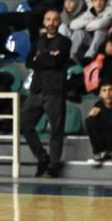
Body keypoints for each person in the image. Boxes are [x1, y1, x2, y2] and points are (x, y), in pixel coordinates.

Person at [19, 9, 71, 178]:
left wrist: (40, 59)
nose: (51, 23)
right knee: (24, 124)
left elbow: (56, 62)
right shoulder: (38, 40)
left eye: (55, 19)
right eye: (48, 19)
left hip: (55, 91)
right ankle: (42, 157)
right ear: (44, 21)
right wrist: (47, 57)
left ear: (59, 22)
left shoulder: (64, 42)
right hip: (36, 90)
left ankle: (54, 165)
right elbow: (29, 62)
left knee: (56, 130)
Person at [84, 80, 112, 167]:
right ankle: (101, 154)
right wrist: (91, 116)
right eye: (104, 90)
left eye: (110, 90)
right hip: (108, 141)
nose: (107, 94)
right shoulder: (98, 105)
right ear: (100, 94)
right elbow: (93, 127)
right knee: (89, 120)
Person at [69, 0, 112, 64]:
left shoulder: (110, 11)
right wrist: (87, 21)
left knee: (100, 30)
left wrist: (86, 25)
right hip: (91, 40)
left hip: (104, 42)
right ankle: (70, 56)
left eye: (101, 0)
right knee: (79, 31)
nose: (98, 3)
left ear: (105, 1)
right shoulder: (89, 12)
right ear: (92, 2)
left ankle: (89, 57)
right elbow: (72, 25)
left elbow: (100, 24)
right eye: (95, 0)